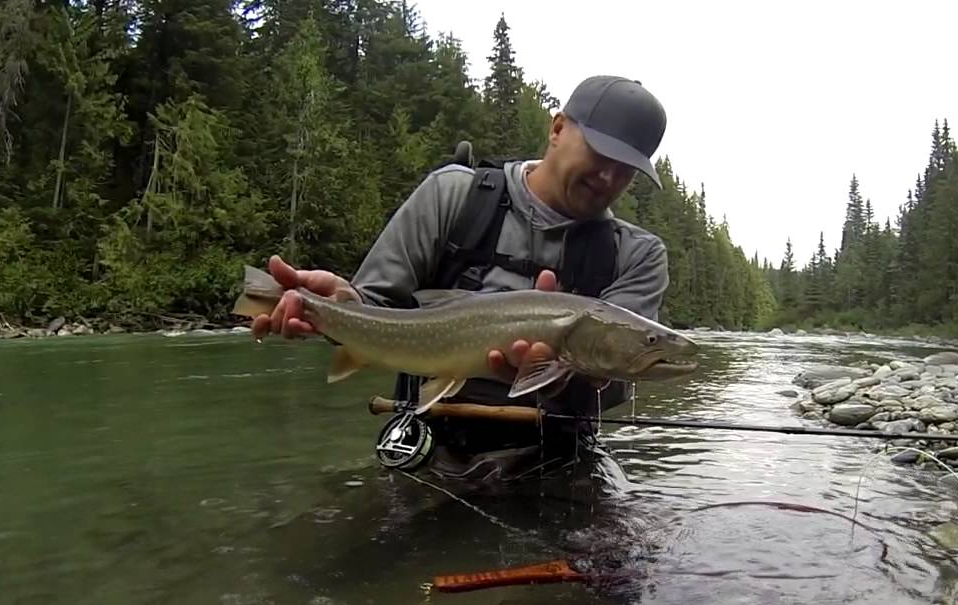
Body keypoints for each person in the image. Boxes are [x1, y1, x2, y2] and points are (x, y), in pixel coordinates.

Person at [250, 75, 671, 501]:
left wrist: (564, 378)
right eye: (601, 153)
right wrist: (336, 306)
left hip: (564, 463)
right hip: (433, 450)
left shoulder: (637, 254)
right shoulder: (455, 195)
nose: (607, 176)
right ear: (558, 128)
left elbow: (622, 369)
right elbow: (376, 307)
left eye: (627, 169)